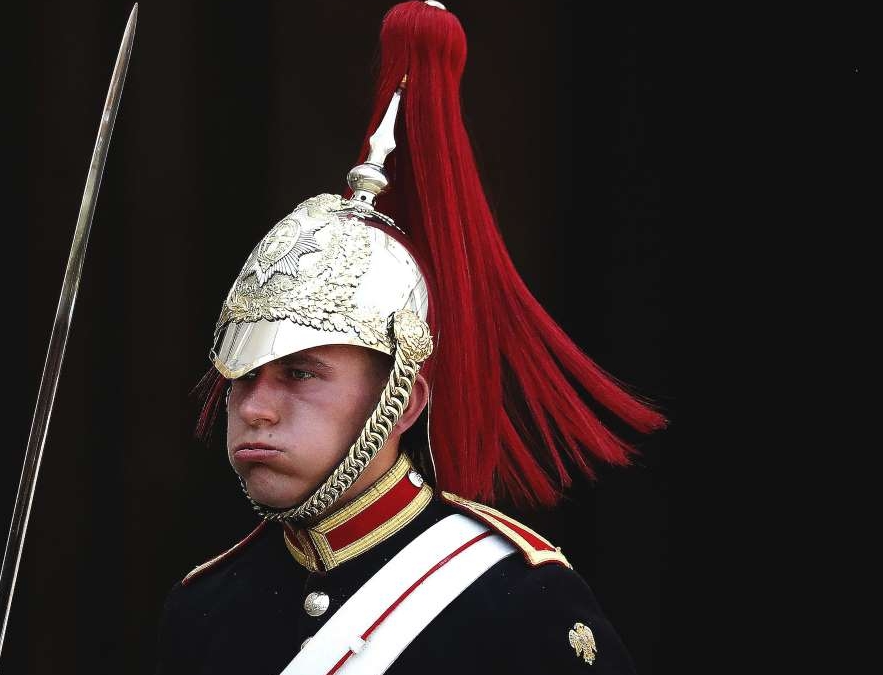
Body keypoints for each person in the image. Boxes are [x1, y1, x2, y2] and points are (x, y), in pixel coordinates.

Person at [154, 2, 666, 673]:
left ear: (402, 400)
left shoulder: (518, 602)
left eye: (299, 372)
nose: (254, 406)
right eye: (243, 375)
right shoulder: (204, 606)